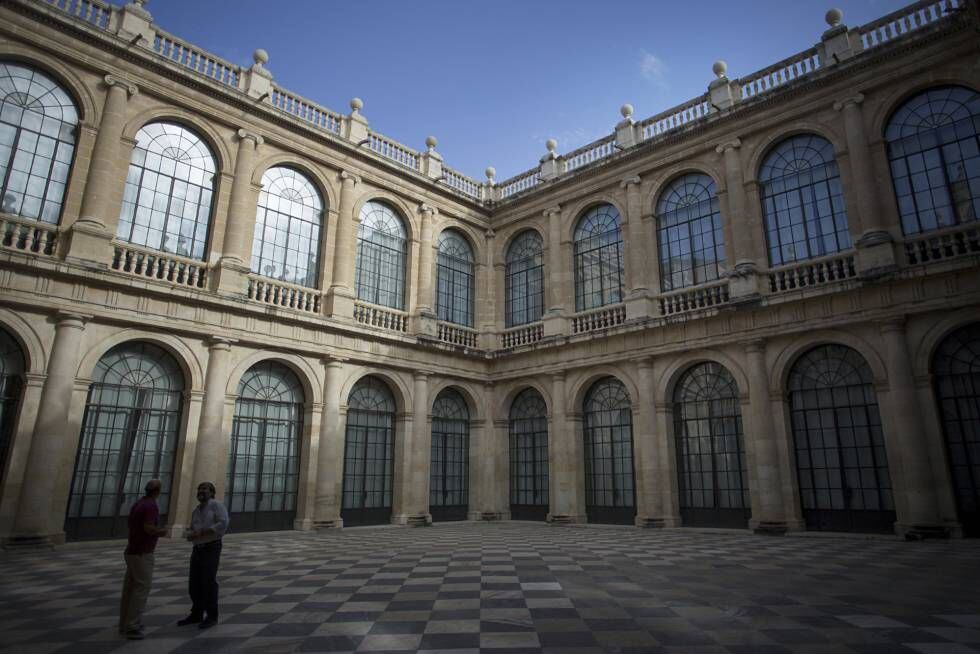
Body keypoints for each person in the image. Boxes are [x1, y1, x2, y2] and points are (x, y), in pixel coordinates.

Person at [119, 479, 168, 640]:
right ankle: (132, 626)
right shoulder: (151, 505)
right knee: (141, 589)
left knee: (130, 588)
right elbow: (148, 528)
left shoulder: (138, 503)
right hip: (142, 552)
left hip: (132, 550)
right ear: (158, 491)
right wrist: (162, 531)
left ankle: (124, 623)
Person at [177, 481, 229, 630]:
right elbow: (193, 528)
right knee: (194, 583)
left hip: (211, 547)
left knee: (208, 581)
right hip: (198, 548)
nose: (201, 491)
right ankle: (196, 613)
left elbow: (223, 523)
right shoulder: (197, 510)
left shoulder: (216, 505)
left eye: (205, 489)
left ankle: (212, 616)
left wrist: (204, 532)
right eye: (200, 489)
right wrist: (190, 534)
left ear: (212, 493)